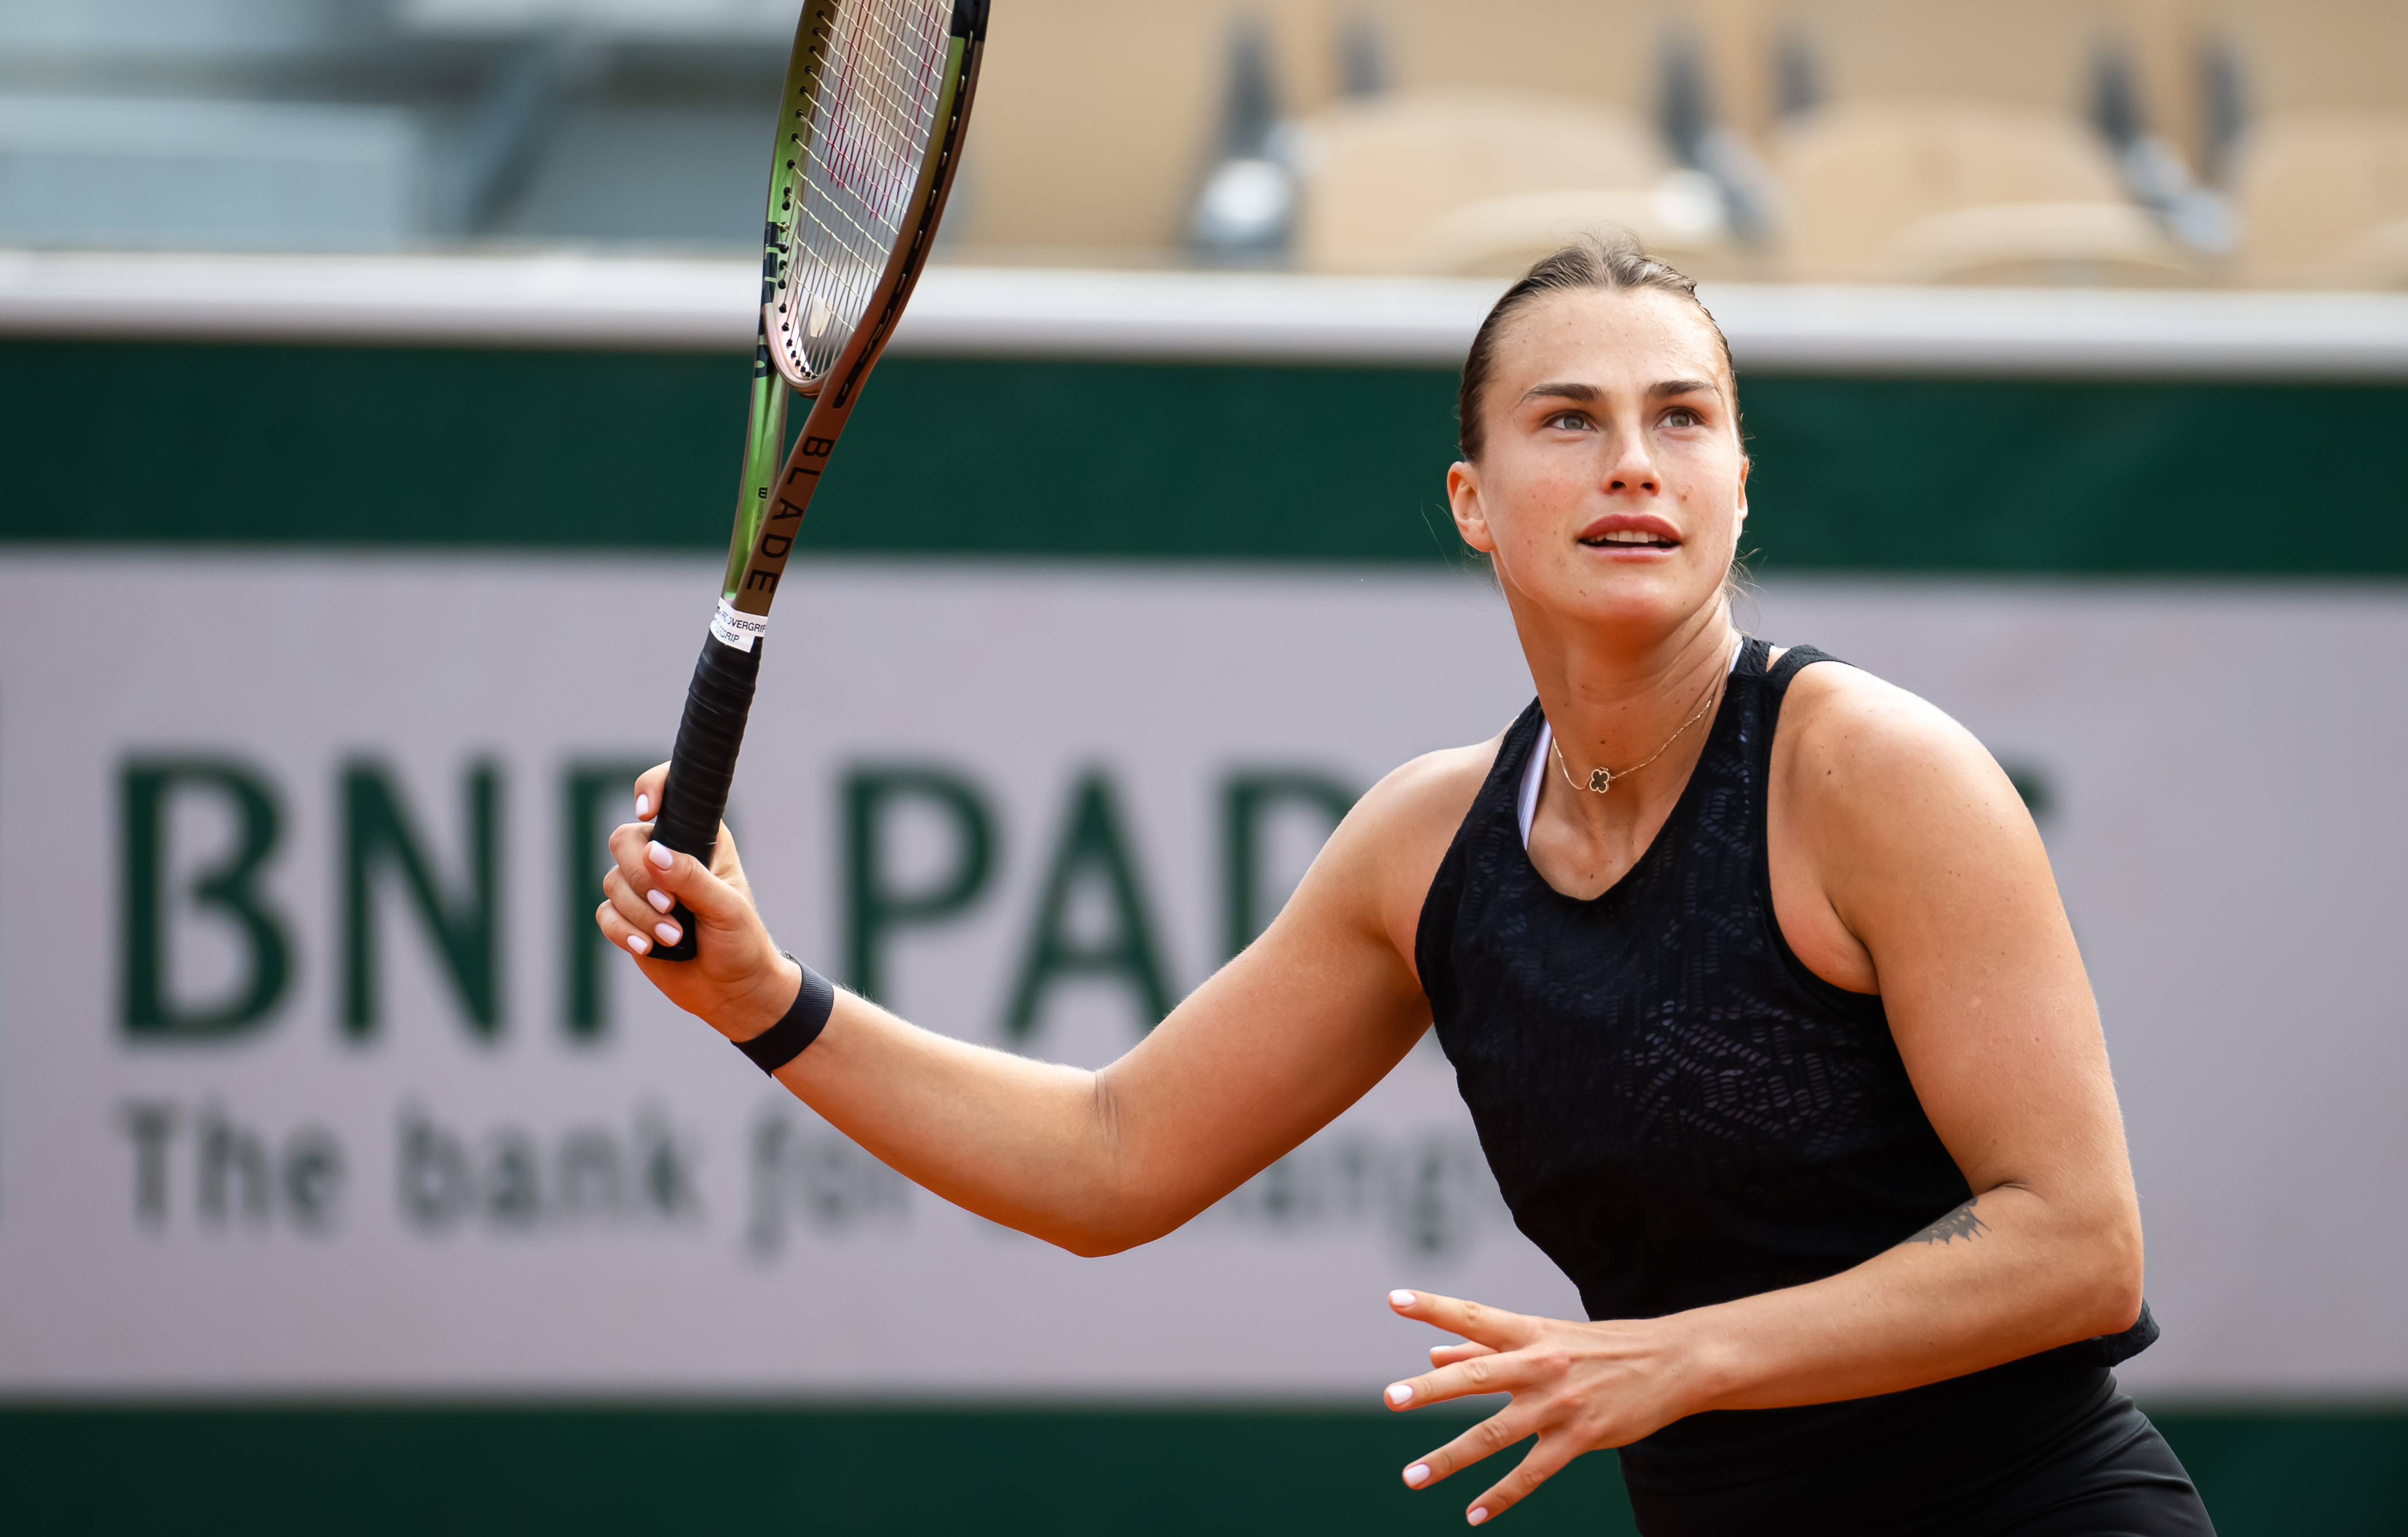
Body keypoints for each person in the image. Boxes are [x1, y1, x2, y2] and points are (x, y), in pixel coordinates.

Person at [597, 234, 2214, 1535]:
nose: (1633, 464)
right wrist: (767, 1004)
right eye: (1567, 421)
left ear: (1739, 484)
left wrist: (1683, 1358)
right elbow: (1107, 1159)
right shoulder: (1428, 846)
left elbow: (2078, 1243)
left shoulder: (1872, 771)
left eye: (1682, 419)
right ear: (1471, 503)